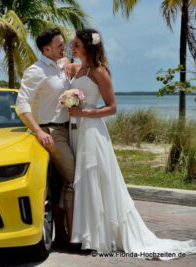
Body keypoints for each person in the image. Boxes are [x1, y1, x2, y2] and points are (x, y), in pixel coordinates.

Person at [67, 28, 196, 259]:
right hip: (76, 130)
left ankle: (99, 238)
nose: (71, 46)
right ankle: (88, 235)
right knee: (83, 181)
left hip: (92, 132)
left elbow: (112, 107)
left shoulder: (99, 71)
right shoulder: (78, 69)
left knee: (94, 179)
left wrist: (84, 112)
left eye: (75, 43)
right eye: (71, 43)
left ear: (88, 46)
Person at [15, 27, 76, 247]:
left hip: (69, 130)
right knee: (74, 178)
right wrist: (39, 131)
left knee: (60, 183)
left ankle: (61, 234)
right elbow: (21, 105)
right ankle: (70, 236)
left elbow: (72, 65)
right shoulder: (36, 71)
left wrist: (68, 61)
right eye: (59, 44)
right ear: (46, 48)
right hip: (51, 132)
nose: (63, 47)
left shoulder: (61, 65)